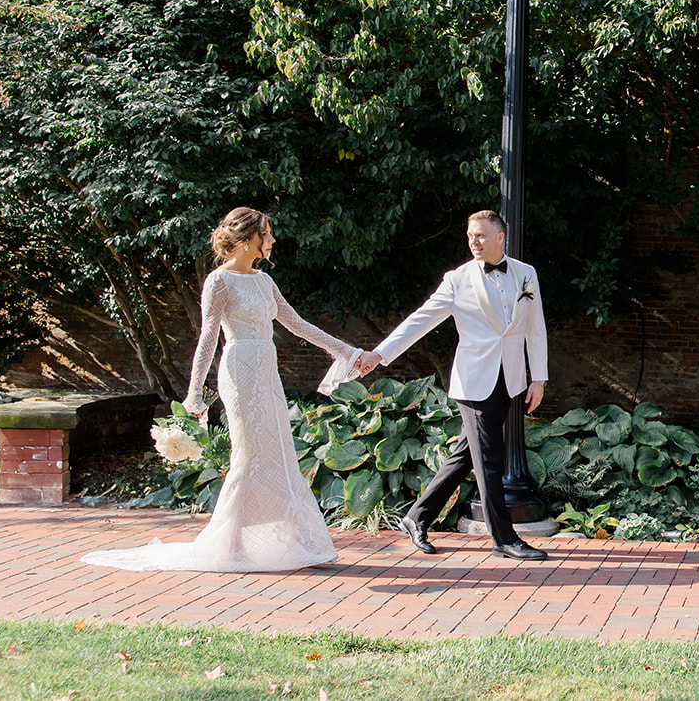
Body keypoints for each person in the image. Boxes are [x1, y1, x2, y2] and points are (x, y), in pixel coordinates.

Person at [83, 207, 368, 573]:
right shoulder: (219, 282)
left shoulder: (264, 282)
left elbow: (297, 324)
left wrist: (346, 351)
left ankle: (300, 541)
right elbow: (207, 337)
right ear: (248, 238)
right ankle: (229, 544)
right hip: (239, 371)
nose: (272, 240)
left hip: (267, 371)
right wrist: (194, 393)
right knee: (247, 457)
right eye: (266, 234)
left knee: (280, 452)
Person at [332, 210, 548, 561]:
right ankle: (504, 538)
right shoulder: (457, 279)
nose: (473, 241)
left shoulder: (526, 274)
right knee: (489, 459)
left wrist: (538, 378)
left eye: (480, 235)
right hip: (473, 382)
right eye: (469, 236)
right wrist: (380, 354)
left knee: (466, 456)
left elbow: (535, 328)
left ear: (500, 237)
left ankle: (416, 516)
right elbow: (420, 319)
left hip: (509, 380)